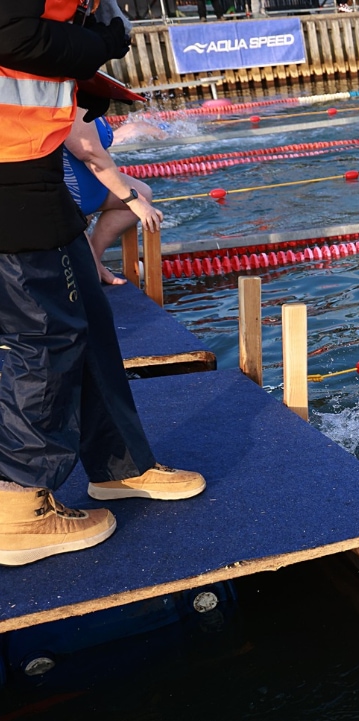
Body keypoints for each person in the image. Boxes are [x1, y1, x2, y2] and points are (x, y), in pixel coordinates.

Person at [0, 0, 206, 567]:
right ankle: (18, 504)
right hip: (8, 174)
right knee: (43, 337)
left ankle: (120, 467)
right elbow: (11, 32)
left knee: (88, 320)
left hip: (34, 169)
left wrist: (86, 53)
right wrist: (102, 41)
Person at [63, 107, 161, 285]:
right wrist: (133, 201)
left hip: (90, 186)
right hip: (70, 197)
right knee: (89, 281)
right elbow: (89, 153)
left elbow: (102, 153)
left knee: (143, 194)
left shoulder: (89, 100)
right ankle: (91, 263)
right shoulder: (65, 100)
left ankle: (96, 256)